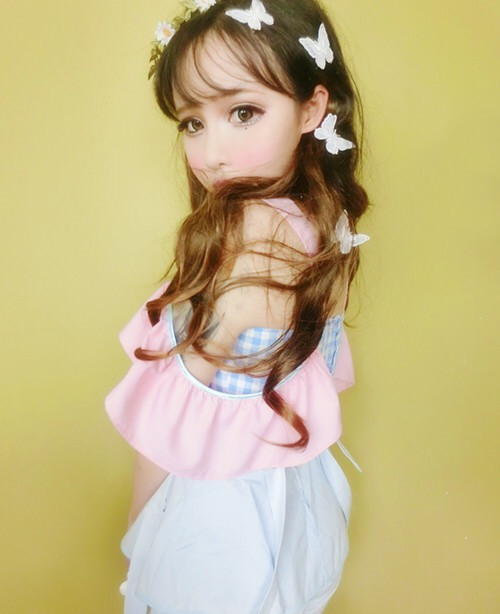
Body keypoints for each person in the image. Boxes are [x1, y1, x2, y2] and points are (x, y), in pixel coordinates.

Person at [105, 1, 371, 612]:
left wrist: (138, 533)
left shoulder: (253, 233)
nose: (210, 153)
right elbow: (320, 370)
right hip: (296, 496)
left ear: (312, 108)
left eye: (243, 112)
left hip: (222, 517)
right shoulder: (321, 223)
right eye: (192, 122)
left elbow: (170, 420)